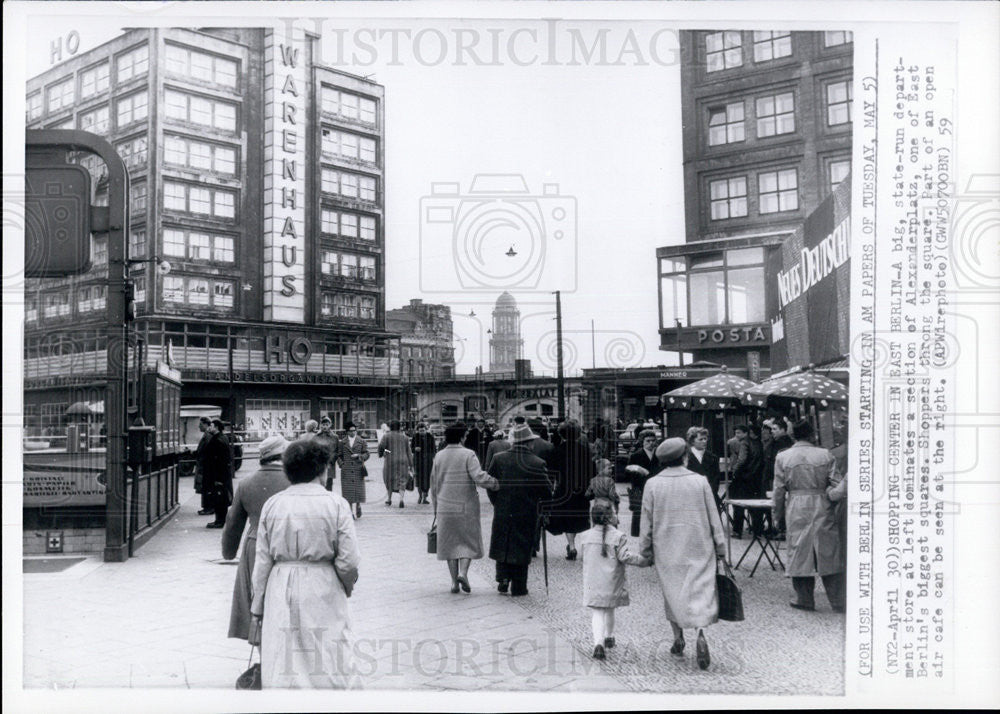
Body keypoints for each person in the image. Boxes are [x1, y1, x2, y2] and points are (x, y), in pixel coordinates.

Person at [249, 439, 361, 688]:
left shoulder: (274, 504)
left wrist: (257, 605)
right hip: (323, 582)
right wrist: (346, 584)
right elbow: (349, 560)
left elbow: (263, 561)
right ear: (322, 469)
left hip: (281, 583)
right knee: (328, 653)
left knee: (285, 656)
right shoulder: (336, 504)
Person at [638, 438, 727, 670]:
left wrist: (645, 551)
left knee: (673, 592)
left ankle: (678, 638)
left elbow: (645, 521)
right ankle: (700, 633)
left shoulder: (653, 484)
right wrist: (720, 546)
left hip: (667, 548)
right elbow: (713, 515)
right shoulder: (700, 481)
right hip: (700, 545)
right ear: (685, 457)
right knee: (700, 589)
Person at [221, 436, 291, 640]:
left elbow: (233, 523)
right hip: (285, 546)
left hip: (254, 545)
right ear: (283, 455)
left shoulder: (245, 483)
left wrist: (229, 552)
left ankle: (260, 643)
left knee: (256, 600)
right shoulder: (294, 481)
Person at [772, 419, 845, 613]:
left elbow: (779, 490)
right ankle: (838, 600)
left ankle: (804, 598)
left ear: (793, 435)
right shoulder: (825, 454)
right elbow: (837, 483)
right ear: (812, 435)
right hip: (822, 503)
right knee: (828, 550)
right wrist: (830, 495)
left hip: (796, 505)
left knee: (799, 550)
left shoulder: (783, 457)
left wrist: (776, 515)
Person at [430, 422, 500, 593]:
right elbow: (478, 477)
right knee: (468, 540)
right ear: (462, 437)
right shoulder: (469, 454)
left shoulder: (439, 456)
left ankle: (454, 583)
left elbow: (434, 484)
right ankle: (463, 573)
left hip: (445, 505)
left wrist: (436, 508)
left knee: (449, 543)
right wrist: (495, 483)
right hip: (466, 504)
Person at [487, 423, 553, 596]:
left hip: (503, 508)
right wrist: (541, 507)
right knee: (521, 547)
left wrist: (498, 502)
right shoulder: (537, 463)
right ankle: (519, 585)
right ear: (529, 443)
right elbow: (546, 491)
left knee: (503, 543)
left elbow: (491, 485)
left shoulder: (499, 459)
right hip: (527, 511)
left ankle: (502, 578)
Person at [581, 498, 649, 659]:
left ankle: (598, 644)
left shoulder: (584, 536)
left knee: (597, 612)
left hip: (593, 581)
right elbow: (625, 557)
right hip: (611, 581)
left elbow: (582, 555)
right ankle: (609, 637)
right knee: (610, 609)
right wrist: (644, 561)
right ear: (611, 517)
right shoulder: (618, 536)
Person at [544, 421, 595, 560]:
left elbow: (551, 473)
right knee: (580, 518)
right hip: (581, 490)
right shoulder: (585, 450)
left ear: (561, 434)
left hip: (563, 489)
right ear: (578, 434)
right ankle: (584, 548)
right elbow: (593, 471)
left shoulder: (556, 450)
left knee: (567, 518)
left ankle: (571, 546)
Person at [730, 423, 765, 538]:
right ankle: (757, 530)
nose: (737, 435)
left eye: (739, 432)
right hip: (756, 478)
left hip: (743, 478)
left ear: (748, 433)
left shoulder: (745, 443)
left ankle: (737, 530)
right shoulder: (760, 443)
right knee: (755, 506)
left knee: (738, 505)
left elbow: (742, 460)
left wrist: (735, 471)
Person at [625, 429, 661, 537]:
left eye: (653, 441)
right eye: (648, 441)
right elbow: (628, 473)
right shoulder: (635, 456)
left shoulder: (660, 455)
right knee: (639, 512)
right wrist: (639, 472)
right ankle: (638, 533)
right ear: (642, 442)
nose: (651, 443)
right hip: (640, 487)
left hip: (657, 487)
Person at [202, 419, 235, 528]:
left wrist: (217, 478)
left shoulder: (217, 440)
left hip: (217, 476)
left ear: (216, 427)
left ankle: (219, 521)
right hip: (221, 475)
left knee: (219, 498)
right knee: (220, 498)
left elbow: (218, 461)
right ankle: (220, 520)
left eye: (211, 426)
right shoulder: (222, 438)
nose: (209, 428)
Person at [336, 422, 369, 519]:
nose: (353, 432)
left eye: (354, 430)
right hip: (346, 470)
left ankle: (358, 506)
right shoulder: (342, 442)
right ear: (347, 432)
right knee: (348, 491)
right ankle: (350, 511)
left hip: (358, 468)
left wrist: (359, 456)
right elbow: (338, 455)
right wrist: (342, 464)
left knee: (358, 490)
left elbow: (367, 453)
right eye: (350, 431)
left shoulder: (361, 441)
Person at [685, 427, 722, 510]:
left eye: (705, 439)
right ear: (692, 441)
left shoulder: (713, 457)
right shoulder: (685, 457)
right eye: (700, 439)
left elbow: (716, 478)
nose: (704, 441)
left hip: (710, 497)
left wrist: (710, 492)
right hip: (691, 497)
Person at [379, 420, 413, 508]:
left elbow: (381, 447)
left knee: (389, 479)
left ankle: (389, 499)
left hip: (390, 460)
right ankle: (401, 499)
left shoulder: (386, 436)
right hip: (403, 460)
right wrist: (411, 464)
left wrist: (385, 452)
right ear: (399, 427)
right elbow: (408, 451)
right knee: (402, 480)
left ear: (390, 427)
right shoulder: (404, 437)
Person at [411, 422, 437, 505]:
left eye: (423, 430)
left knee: (428, 479)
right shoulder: (415, 437)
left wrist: (430, 455)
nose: (422, 432)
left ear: (426, 430)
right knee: (419, 479)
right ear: (417, 431)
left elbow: (434, 449)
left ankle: (425, 497)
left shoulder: (430, 437)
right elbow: (411, 448)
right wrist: (415, 449)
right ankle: (420, 496)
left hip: (428, 461)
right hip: (418, 461)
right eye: (420, 431)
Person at [194, 416, 214, 516]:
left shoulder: (208, 435)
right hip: (204, 464)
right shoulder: (208, 435)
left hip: (205, 465)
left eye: (201, 424)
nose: (199, 426)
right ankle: (206, 507)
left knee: (206, 486)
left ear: (206, 424)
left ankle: (208, 507)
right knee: (204, 486)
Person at [313, 416, 339, 491]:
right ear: (320, 425)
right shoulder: (316, 437)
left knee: (329, 482)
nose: (324, 427)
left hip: (330, 463)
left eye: (326, 425)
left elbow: (337, 450)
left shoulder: (335, 437)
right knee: (319, 482)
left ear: (330, 425)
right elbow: (313, 449)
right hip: (320, 463)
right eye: (323, 425)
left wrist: (332, 459)